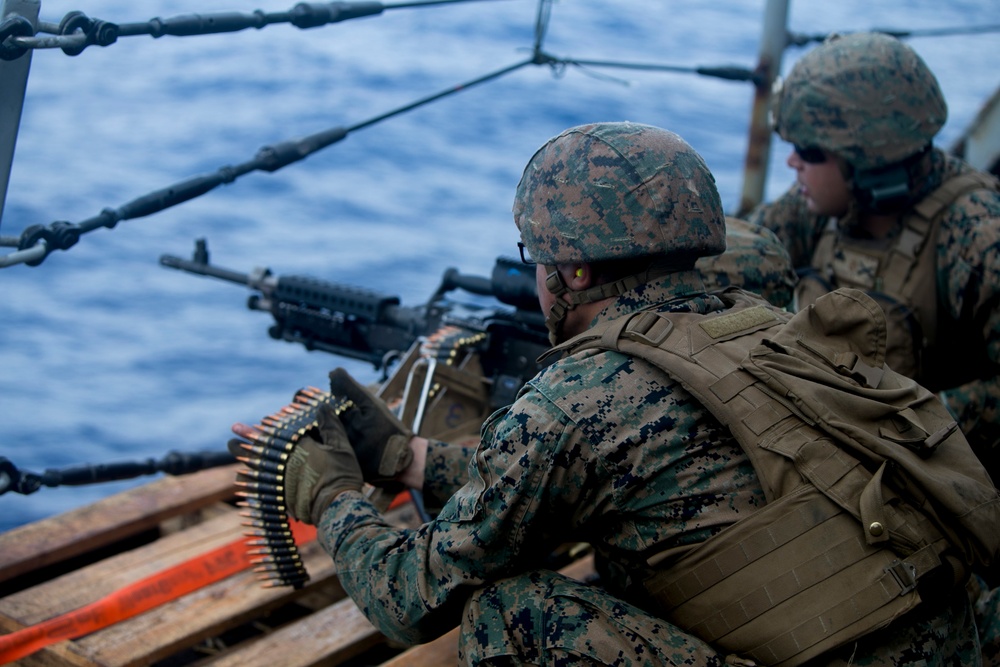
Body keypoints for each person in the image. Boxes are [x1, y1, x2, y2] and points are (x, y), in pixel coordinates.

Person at [232, 121, 984, 665]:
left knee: (511, 612)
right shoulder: (779, 332)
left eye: (540, 255)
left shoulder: (576, 398)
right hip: (948, 638)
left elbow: (410, 596)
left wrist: (332, 498)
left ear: (575, 272)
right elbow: (622, 480)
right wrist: (414, 457)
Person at [747, 32, 1000, 477]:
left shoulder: (975, 232)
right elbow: (748, 250)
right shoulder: (825, 206)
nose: (792, 163)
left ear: (867, 162)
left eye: (808, 151)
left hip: (927, 483)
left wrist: (905, 421)